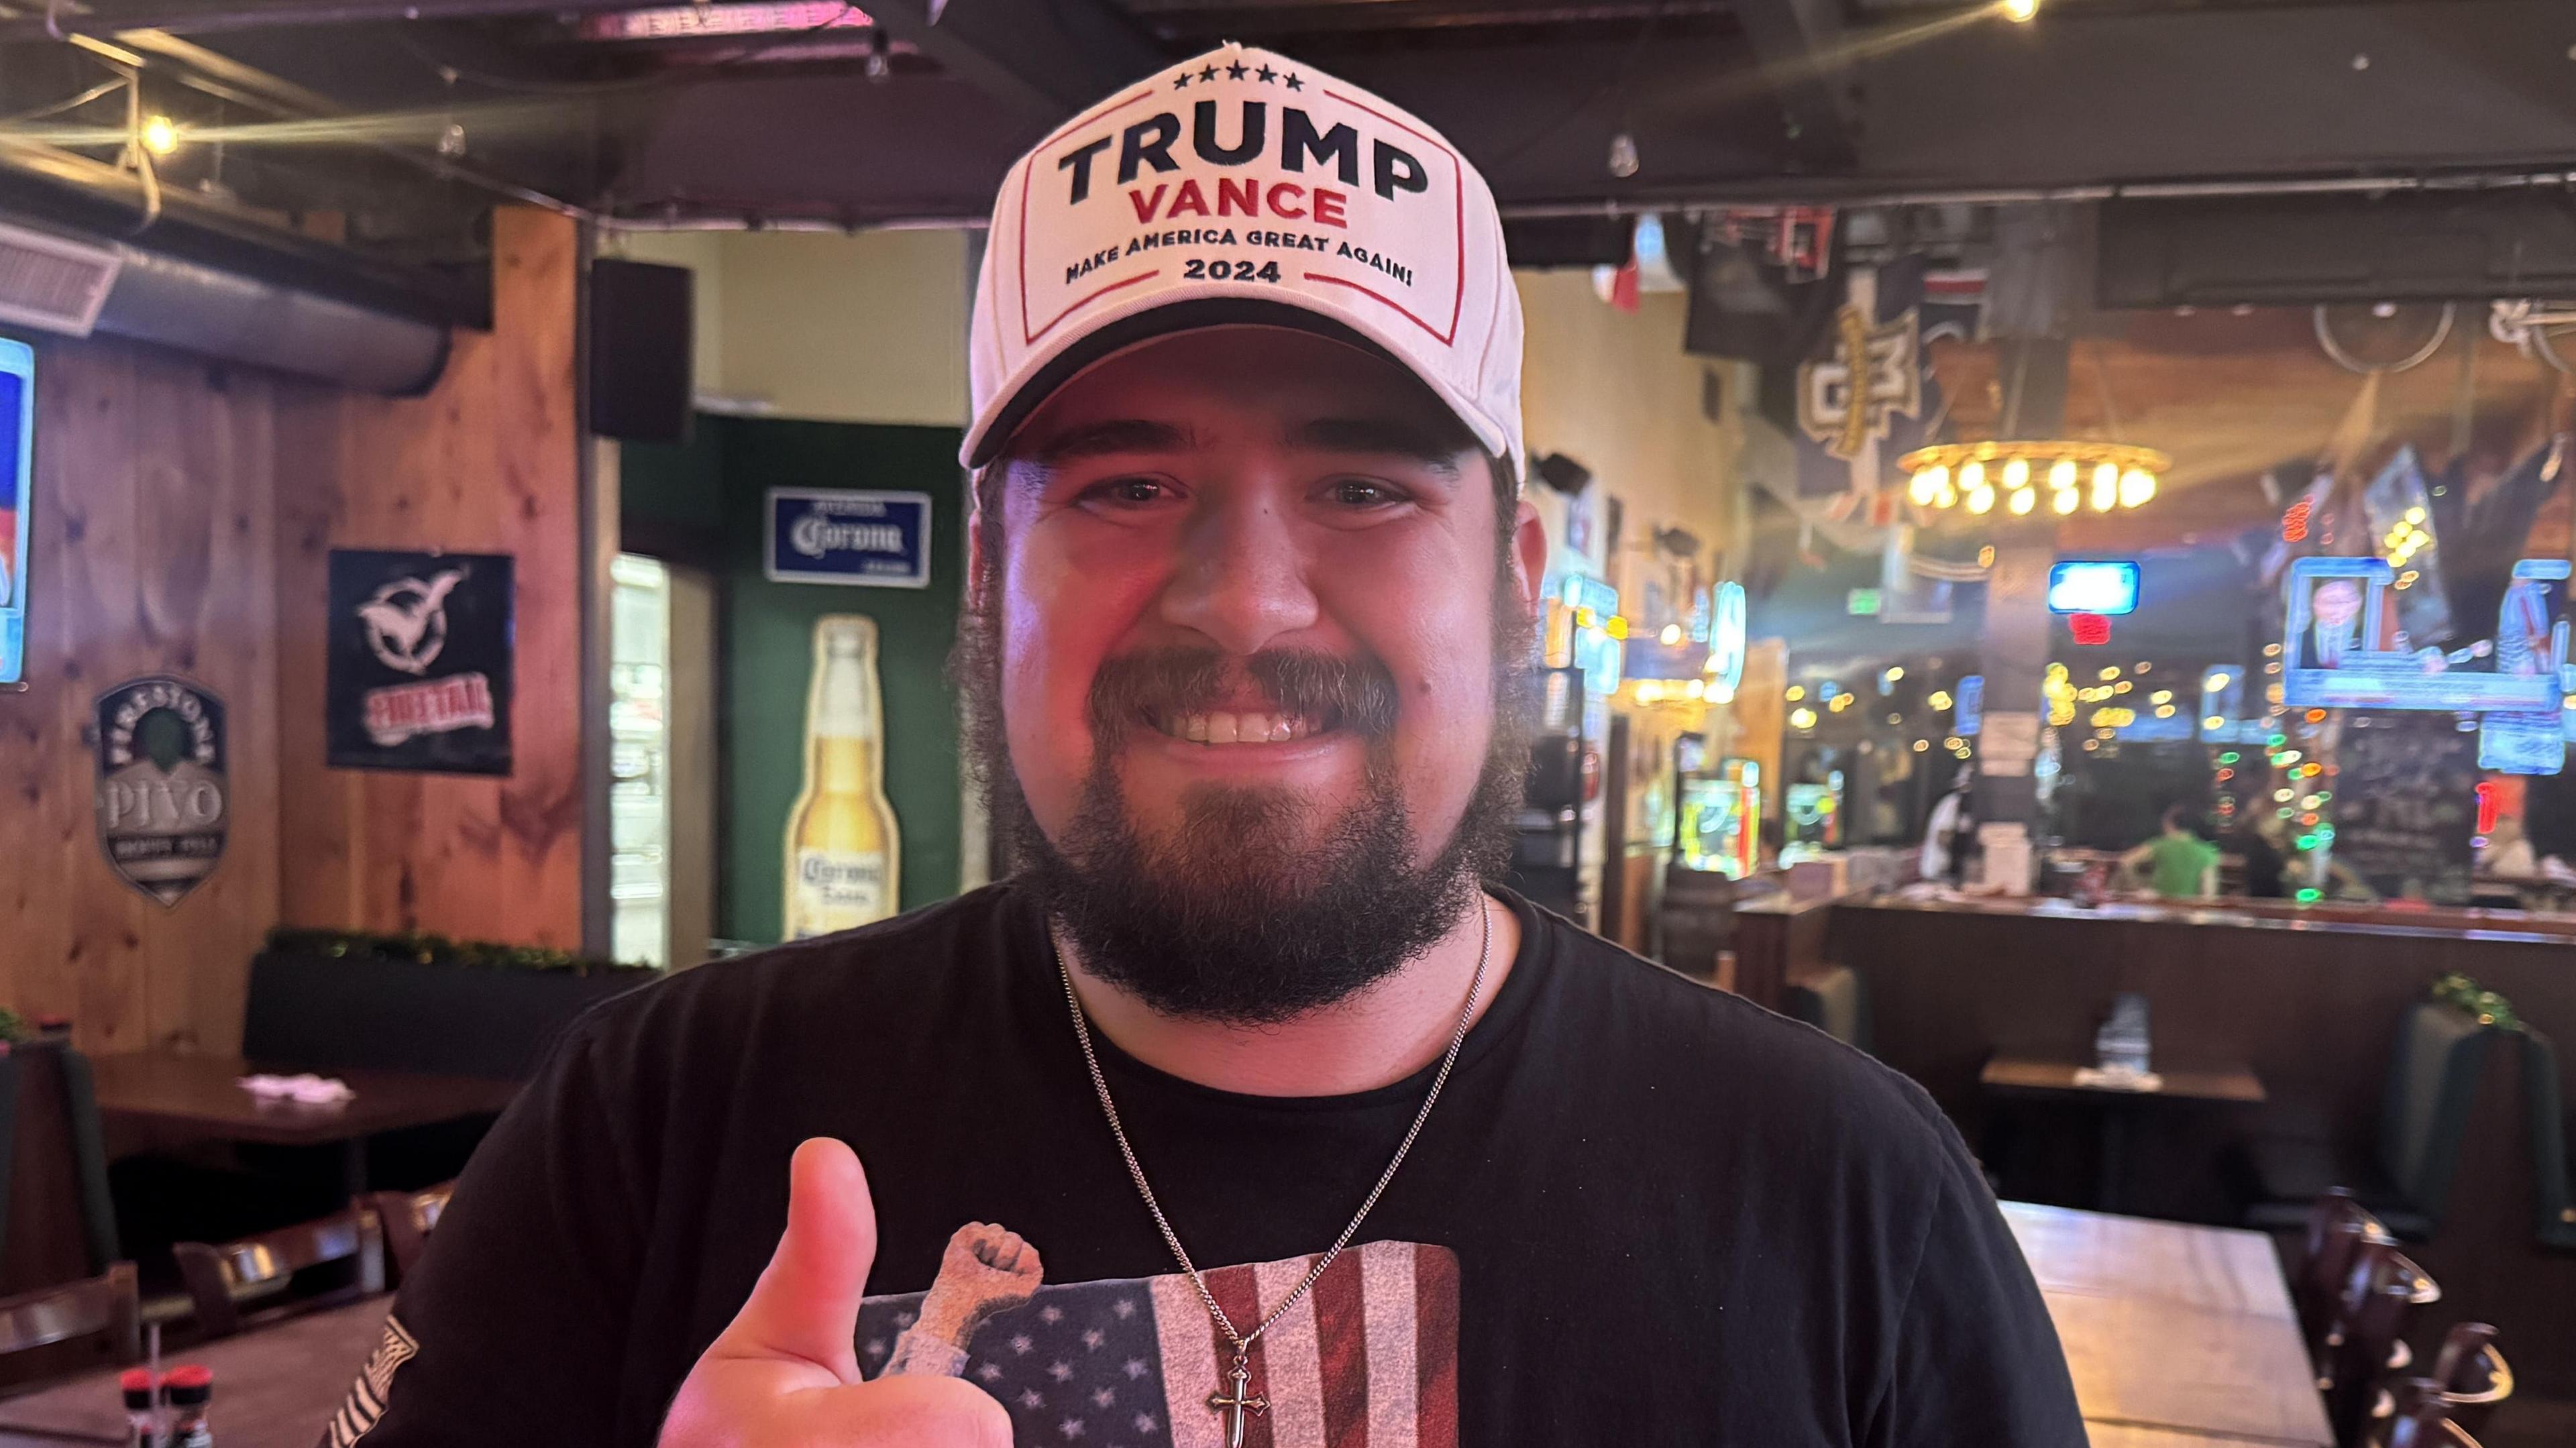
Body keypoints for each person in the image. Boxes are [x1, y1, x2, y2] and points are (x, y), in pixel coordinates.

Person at [331, 42, 2082, 1448]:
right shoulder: (658, 1121)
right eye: (1127, 483)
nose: (1246, 603)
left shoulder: (1848, 1195)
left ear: (1519, 575)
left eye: (1364, 483)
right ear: (994, 565)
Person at [2123, 803, 2219, 899]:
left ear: (2170, 824)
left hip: (2159, 905)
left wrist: (2139, 886)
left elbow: (2126, 861)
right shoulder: (2206, 852)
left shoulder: (2159, 845)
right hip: (2189, 908)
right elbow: (2208, 892)